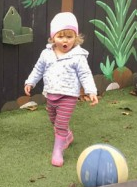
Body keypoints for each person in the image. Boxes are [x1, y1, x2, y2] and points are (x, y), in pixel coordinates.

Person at [24, 12, 98, 167]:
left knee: (61, 123)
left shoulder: (78, 56)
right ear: (53, 37)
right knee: (53, 119)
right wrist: (30, 82)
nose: (65, 41)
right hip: (51, 94)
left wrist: (91, 91)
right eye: (60, 36)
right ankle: (67, 136)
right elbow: (38, 69)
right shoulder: (46, 54)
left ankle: (58, 151)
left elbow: (85, 74)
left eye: (69, 37)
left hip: (68, 96)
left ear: (76, 38)